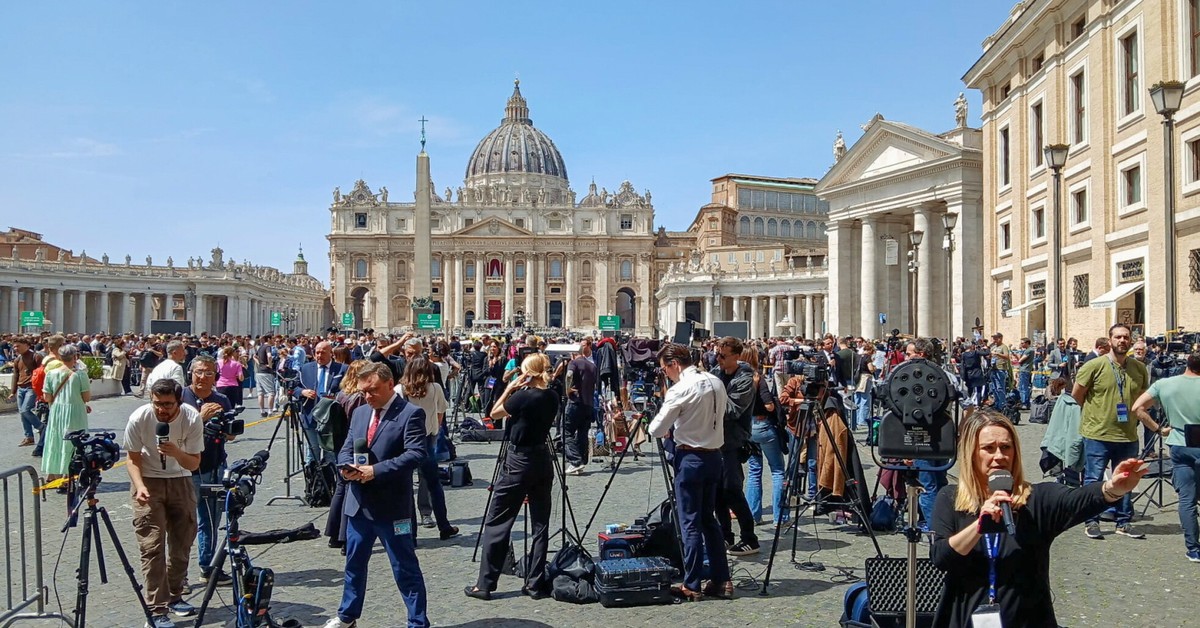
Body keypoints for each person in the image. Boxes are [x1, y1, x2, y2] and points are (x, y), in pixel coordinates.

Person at [930, 408, 1147, 627]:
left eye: (1006, 447)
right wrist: (979, 526)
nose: (999, 456)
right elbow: (940, 558)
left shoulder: (1036, 500)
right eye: (988, 448)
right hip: (965, 619)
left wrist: (1113, 488)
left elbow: (1078, 499)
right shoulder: (950, 498)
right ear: (971, 453)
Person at [323, 362, 429, 628]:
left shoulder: (410, 413)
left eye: (372, 391)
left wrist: (375, 470)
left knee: (404, 567)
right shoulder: (360, 412)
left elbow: (416, 454)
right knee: (354, 565)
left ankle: (417, 622)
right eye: (363, 392)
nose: (367, 396)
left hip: (392, 506)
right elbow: (347, 447)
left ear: (389, 384)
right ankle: (347, 616)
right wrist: (346, 468)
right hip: (358, 504)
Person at [465, 353, 560, 601]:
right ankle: (535, 583)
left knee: (498, 521)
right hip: (542, 460)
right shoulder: (552, 395)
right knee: (541, 525)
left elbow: (493, 414)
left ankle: (485, 584)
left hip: (518, 461)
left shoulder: (522, 396)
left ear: (527, 373)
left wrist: (509, 388)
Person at [646, 343, 733, 601]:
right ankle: (722, 579)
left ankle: (692, 583)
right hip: (714, 456)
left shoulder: (681, 388)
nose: (665, 375)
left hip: (691, 458)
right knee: (709, 520)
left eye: (665, 370)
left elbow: (656, 429)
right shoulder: (716, 381)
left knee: (690, 522)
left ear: (674, 364)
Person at [124, 379, 204, 628]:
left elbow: (193, 464)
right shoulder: (139, 418)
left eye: (168, 404)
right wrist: (140, 486)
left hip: (180, 480)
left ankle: (175, 595)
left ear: (178, 401)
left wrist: (176, 453)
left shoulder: (191, 418)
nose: (162, 409)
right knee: (152, 546)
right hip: (149, 482)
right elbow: (132, 458)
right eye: (158, 403)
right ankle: (156, 609)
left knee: (182, 544)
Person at [1072, 323, 1150, 540]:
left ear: (1131, 341)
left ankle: (1123, 522)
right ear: (1110, 340)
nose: (1122, 341)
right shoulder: (1094, 366)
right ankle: (1091, 521)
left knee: (1126, 478)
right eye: (1118, 337)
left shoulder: (1139, 368)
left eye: (1126, 337)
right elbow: (1076, 397)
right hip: (1097, 434)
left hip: (1128, 435)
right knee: (1093, 479)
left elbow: (1143, 399)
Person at [1131, 351, 1200, 561]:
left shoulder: (1165, 384)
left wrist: (1158, 429)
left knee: (1186, 499)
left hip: (1180, 443)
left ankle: (1193, 548)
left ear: (1187, 363)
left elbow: (1137, 408)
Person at [181, 355, 234, 585]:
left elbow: (231, 434)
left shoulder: (221, 399)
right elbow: (176, 436)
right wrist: (200, 419)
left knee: (210, 520)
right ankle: (178, 575)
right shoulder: (179, 397)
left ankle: (207, 565)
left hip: (214, 464)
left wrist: (224, 427)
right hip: (185, 470)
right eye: (199, 372)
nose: (203, 377)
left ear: (216, 376)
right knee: (183, 523)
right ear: (191, 373)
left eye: (209, 373)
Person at [396, 357, 459, 540]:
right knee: (433, 484)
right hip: (427, 439)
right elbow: (441, 413)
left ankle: (410, 533)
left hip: (406, 442)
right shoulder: (435, 388)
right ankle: (444, 526)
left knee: (406, 486)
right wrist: (434, 431)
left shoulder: (400, 390)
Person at [710, 336, 760, 556]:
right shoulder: (715, 373)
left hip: (733, 441)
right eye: (717, 354)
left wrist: (707, 404)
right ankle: (725, 535)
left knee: (732, 490)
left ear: (737, 356)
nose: (718, 359)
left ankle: (750, 537)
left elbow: (732, 410)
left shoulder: (745, 379)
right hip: (715, 440)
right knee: (717, 492)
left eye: (723, 356)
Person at [742, 347, 786, 528]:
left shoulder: (736, 379)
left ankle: (754, 514)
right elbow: (768, 405)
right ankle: (780, 517)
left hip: (747, 428)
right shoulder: (757, 378)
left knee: (754, 471)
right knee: (777, 470)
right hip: (763, 425)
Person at [907, 339, 946, 530]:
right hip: (944, 434)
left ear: (920, 354)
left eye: (909, 354)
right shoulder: (946, 374)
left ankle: (934, 530)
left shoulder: (909, 377)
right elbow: (968, 402)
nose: (906, 358)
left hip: (919, 434)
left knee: (927, 485)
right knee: (941, 482)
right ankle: (945, 524)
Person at [41, 345, 90, 483]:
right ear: (75, 357)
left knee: (55, 439)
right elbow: (86, 397)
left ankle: (52, 473)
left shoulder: (51, 374)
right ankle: (67, 474)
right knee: (73, 441)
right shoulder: (80, 375)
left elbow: (47, 397)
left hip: (57, 410)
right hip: (75, 412)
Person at [294, 341, 346, 464]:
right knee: (312, 453)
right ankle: (313, 481)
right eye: (317, 352)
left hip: (331, 418)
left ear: (331, 353)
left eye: (323, 352)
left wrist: (337, 397)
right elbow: (294, 388)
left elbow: (347, 390)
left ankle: (330, 480)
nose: (319, 355)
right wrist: (302, 392)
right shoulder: (305, 368)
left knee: (330, 454)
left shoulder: (342, 369)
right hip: (310, 415)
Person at [564, 339, 597, 475]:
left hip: (576, 402)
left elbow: (569, 375)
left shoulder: (574, 363)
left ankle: (575, 461)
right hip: (589, 403)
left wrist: (567, 389)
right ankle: (582, 461)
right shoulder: (592, 366)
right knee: (582, 434)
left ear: (573, 353)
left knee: (566, 432)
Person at [9, 337, 43, 449]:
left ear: (27, 345)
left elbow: (42, 373)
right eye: (14, 346)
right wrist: (13, 391)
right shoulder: (17, 359)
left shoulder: (36, 356)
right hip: (21, 388)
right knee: (22, 413)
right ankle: (29, 437)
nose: (15, 348)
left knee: (25, 410)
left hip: (31, 387)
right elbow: (15, 375)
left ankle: (42, 427)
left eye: (18, 346)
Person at [254, 335, 279, 417]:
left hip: (259, 371)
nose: (273, 341)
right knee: (271, 392)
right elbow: (269, 356)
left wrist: (260, 364)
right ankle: (270, 411)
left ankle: (262, 411)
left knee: (260, 392)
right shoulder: (268, 346)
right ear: (268, 339)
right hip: (266, 372)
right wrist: (270, 365)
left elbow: (254, 356)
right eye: (272, 339)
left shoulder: (260, 347)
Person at [988, 333, 1011, 411]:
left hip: (1000, 369)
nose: (994, 340)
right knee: (994, 388)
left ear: (1000, 338)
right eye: (993, 338)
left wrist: (997, 354)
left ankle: (1002, 405)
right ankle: (996, 403)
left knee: (1000, 387)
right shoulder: (994, 347)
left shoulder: (1003, 347)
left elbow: (1007, 356)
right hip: (993, 369)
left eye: (995, 338)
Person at [1016, 337, 1035, 409]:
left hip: (1024, 370)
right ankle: (1025, 402)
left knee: (1023, 387)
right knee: (1024, 386)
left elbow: (1020, 360)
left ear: (1027, 343)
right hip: (1026, 369)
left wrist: (1018, 354)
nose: (1021, 344)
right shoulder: (1028, 350)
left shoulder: (1029, 350)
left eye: (1022, 343)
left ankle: (1024, 403)